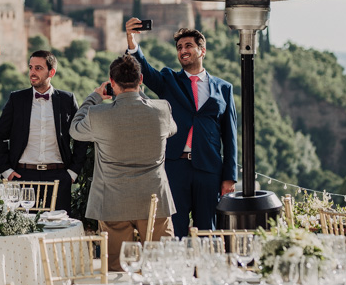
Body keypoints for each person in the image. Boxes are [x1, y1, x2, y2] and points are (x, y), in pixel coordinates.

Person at [125, 18, 237, 236]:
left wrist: (229, 177)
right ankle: (180, 269)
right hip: (176, 167)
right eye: (179, 47)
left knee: (207, 229)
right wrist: (132, 42)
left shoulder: (224, 88)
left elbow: (230, 135)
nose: (183, 50)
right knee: (175, 228)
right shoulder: (169, 80)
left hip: (209, 169)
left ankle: (204, 269)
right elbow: (145, 71)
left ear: (202, 50)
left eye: (188, 46)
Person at [70, 55, 176, 271]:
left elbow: (75, 129)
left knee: (118, 269)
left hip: (113, 201)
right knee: (162, 268)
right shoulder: (162, 109)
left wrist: (94, 97)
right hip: (154, 200)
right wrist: (140, 94)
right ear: (141, 79)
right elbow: (172, 129)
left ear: (112, 82)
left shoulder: (98, 114)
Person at [0, 50, 88, 212]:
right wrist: (7, 171)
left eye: (38, 68)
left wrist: (72, 173)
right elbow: (0, 136)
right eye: (30, 68)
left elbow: (81, 137)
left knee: (58, 230)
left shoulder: (67, 100)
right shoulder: (17, 99)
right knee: (24, 232)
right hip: (23, 177)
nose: (32, 73)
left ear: (51, 72)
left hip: (59, 176)